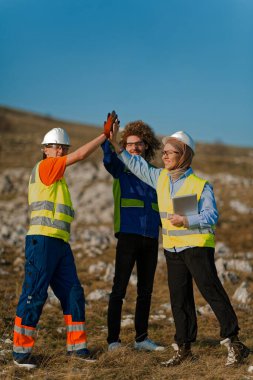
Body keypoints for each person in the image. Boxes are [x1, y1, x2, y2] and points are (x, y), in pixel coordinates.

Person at [108, 126, 250, 367]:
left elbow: (211, 215)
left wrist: (187, 220)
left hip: (196, 247)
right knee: (179, 300)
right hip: (173, 249)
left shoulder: (199, 184)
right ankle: (184, 348)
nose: (164, 156)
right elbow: (137, 165)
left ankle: (234, 343)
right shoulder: (160, 177)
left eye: (170, 152)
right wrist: (116, 144)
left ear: (183, 155)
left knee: (211, 293)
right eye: (163, 152)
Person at [12, 112, 116, 369]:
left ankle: (77, 348)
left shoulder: (57, 178)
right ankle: (20, 354)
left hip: (59, 244)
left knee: (73, 294)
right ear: (44, 150)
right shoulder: (46, 168)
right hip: (42, 242)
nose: (59, 150)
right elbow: (80, 156)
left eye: (63, 147)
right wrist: (103, 137)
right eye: (54, 146)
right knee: (34, 294)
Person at [101, 120, 164, 352]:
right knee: (119, 289)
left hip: (151, 237)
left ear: (147, 145)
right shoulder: (120, 167)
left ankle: (141, 339)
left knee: (145, 291)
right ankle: (113, 341)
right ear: (124, 146)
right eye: (129, 144)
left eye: (139, 144)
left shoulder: (155, 174)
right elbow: (108, 159)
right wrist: (110, 138)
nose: (134, 148)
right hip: (128, 234)